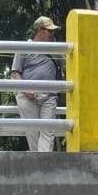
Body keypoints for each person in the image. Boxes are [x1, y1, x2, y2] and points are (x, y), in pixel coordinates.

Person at [10, 16, 61, 152]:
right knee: (33, 134)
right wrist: (26, 89)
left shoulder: (56, 49)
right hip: (28, 97)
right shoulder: (25, 47)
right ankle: (38, 164)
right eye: (49, 31)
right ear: (39, 30)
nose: (52, 34)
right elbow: (15, 73)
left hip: (49, 96)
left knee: (47, 133)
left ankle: (42, 163)